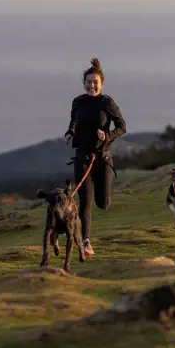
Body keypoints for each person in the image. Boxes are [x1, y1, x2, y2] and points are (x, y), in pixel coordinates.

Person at [64, 58, 126, 257]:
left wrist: (107, 136)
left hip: (102, 158)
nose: (91, 85)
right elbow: (73, 121)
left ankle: (104, 201)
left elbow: (122, 127)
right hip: (82, 156)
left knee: (103, 203)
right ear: (84, 83)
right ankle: (86, 241)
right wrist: (70, 133)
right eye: (88, 82)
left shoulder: (107, 103)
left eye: (95, 82)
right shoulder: (78, 102)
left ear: (101, 84)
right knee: (85, 202)